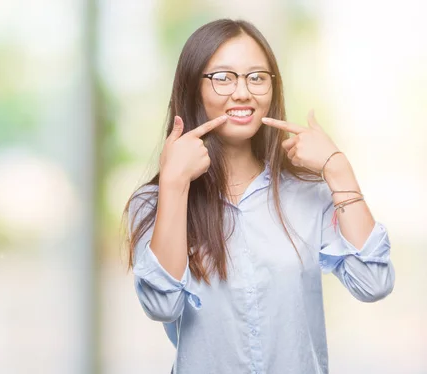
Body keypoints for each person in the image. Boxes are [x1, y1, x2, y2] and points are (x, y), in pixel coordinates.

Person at [123, 19, 394, 374]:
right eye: (223, 77)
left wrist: (338, 168)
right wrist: (175, 185)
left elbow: (373, 284)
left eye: (256, 77)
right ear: (193, 88)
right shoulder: (152, 202)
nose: (242, 92)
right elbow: (162, 306)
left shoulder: (308, 194)